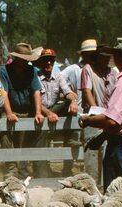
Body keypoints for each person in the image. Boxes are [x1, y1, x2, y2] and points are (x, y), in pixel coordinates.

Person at [80, 37, 122, 189]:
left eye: (114, 54)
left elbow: (112, 122)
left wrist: (88, 120)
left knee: (117, 195)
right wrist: (103, 136)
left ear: (121, 57)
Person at [0, 43, 45, 178]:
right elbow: (3, 92)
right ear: (17, 59)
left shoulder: (31, 71)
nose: (25, 63)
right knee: (6, 138)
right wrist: (9, 112)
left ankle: (23, 172)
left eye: (27, 60)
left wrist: (38, 112)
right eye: (23, 60)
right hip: (9, 110)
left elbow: (36, 91)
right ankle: (10, 170)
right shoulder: (4, 71)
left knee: (24, 142)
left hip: (25, 110)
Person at [35, 48, 79, 176]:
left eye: (51, 60)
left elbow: (68, 92)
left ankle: (70, 138)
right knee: (40, 144)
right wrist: (48, 113)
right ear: (40, 62)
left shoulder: (59, 77)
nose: (48, 63)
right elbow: (34, 102)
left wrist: (74, 100)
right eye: (45, 60)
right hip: (39, 111)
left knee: (68, 104)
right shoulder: (35, 77)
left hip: (53, 109)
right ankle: (41, 176)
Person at [61, 39, 98, 111]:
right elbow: (58, 79)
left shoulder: (98, 70)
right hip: (79, 110)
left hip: (96, 111)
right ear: (83, 54)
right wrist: (69, 94)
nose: (93, 57)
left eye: (94, 54)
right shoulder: (73, 69)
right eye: (90, 54)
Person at [82, 44, 119, 110]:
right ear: (97, 57)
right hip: (92, 114)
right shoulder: (88, 69)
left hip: (109, 113)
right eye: (103, 57)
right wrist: (96, 110)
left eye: (108, 57)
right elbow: (86, 91)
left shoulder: (114, 73)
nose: (106, 59)